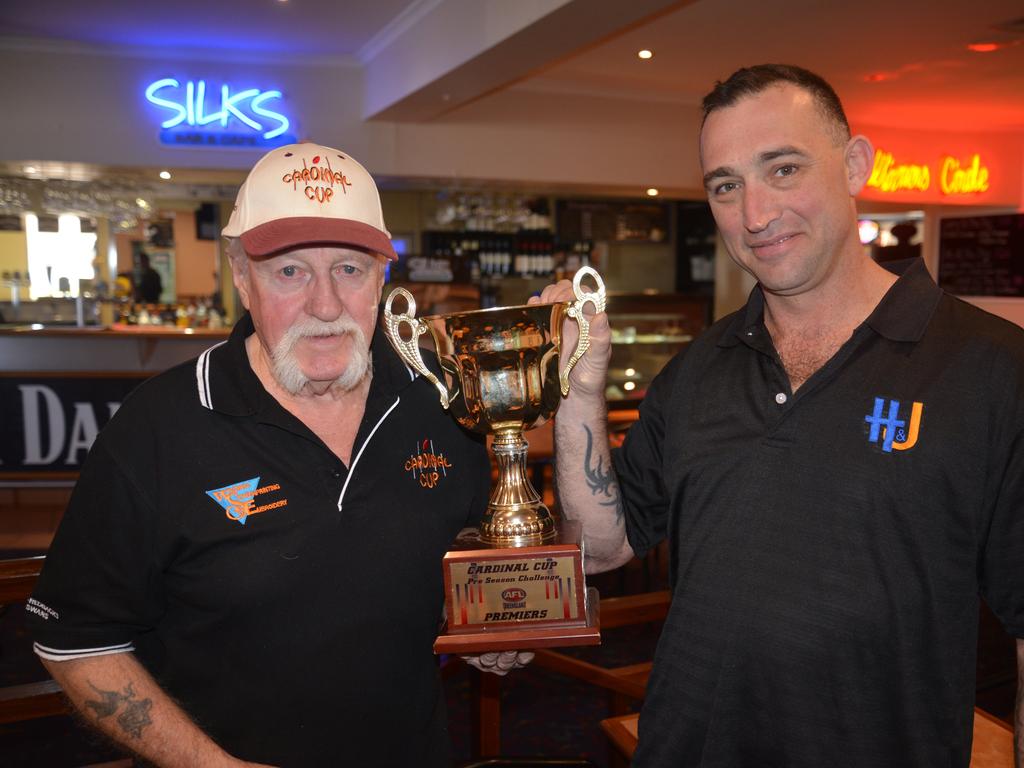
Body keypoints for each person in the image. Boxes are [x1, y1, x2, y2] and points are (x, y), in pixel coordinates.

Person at [543, 64, 1024, 767]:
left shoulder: (991, 367)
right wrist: (578, 390)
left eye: (783, 169)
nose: (755, 214)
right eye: (725, 185)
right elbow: (602, 549)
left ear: (855, 164)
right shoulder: (699, 368)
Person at [25, 142, 527, 767]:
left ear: (382, 276)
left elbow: (471, 562)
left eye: (349, 268)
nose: (325, 305)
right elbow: (74, 639)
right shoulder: (158, 426)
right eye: (289, 271)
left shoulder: (444, 399)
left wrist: (489, 623)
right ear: (242, 276)